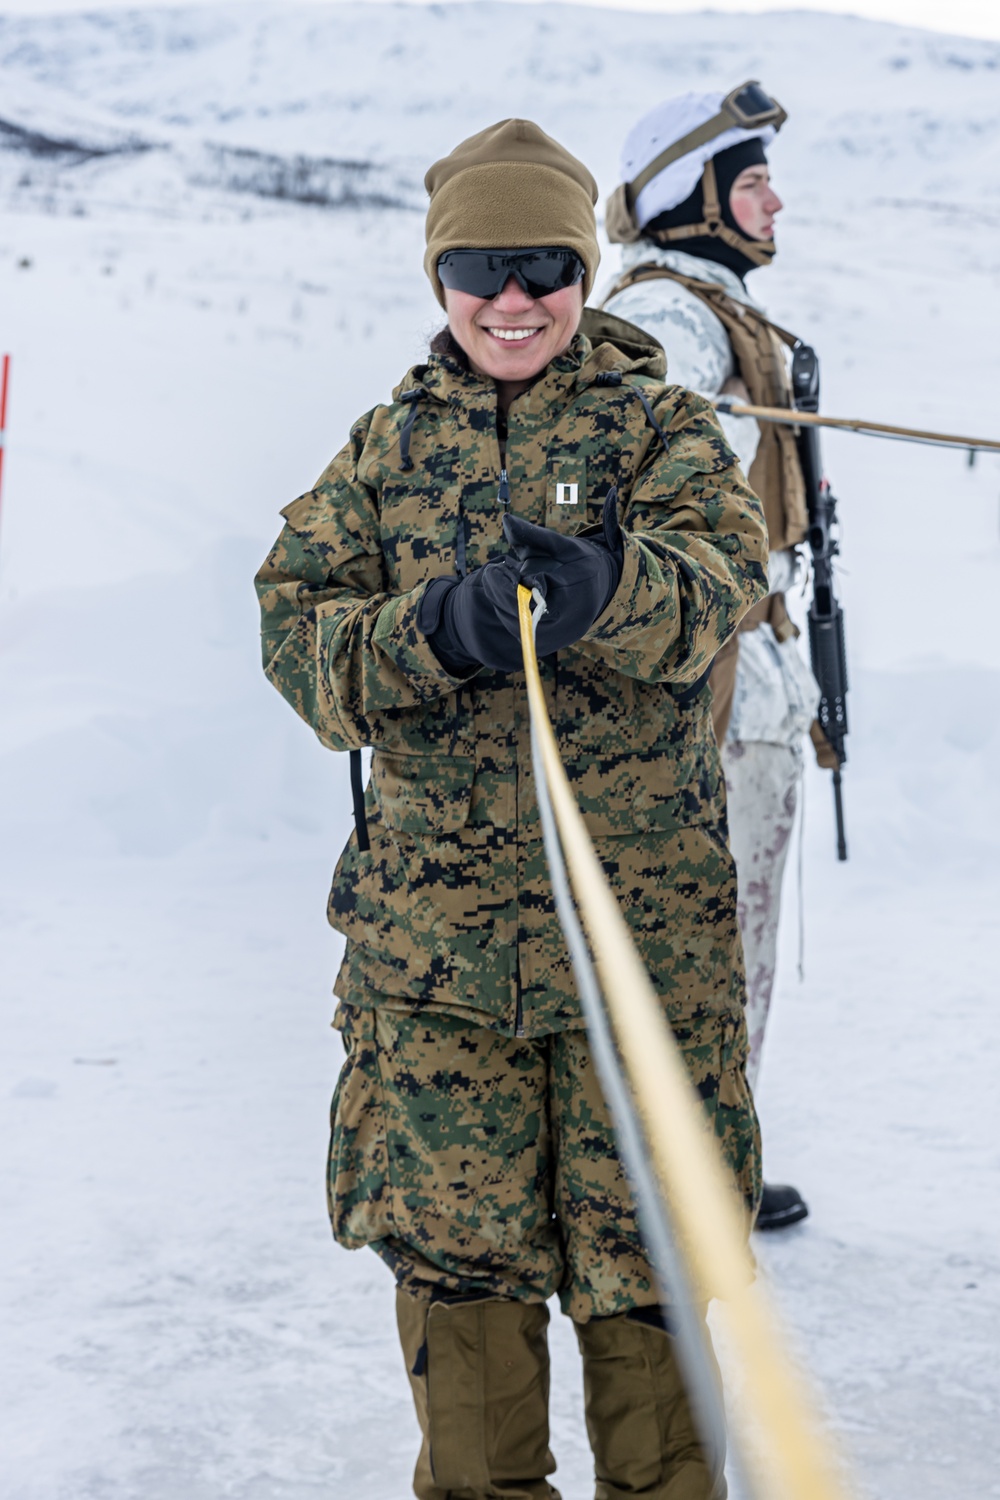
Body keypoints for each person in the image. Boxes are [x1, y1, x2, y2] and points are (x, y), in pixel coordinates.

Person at [256, 117, 768, 1500]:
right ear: (439, 279)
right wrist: (431, 628)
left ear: (585, 271)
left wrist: (612, 589)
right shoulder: (383, 451)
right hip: (439, 976)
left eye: (544, 262)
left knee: (647, 1256)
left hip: (637, 967)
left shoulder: (658, 427)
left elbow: (724, 577)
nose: (514, 297)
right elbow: (300, 641)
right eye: (481, 265)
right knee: (459, 1266)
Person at [602, 83, 838, 1232]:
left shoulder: (718, 310)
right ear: (687, 198)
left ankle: (702, 1156)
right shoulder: (671, 321)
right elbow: (621, 461)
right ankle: (677, 1178)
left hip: (755, 677)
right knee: (704, 941)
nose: (773, 201)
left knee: (729, 939)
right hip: (710, 693)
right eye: (750, 183)